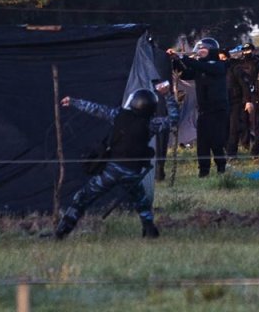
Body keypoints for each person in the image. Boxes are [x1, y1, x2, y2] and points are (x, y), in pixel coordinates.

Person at [54, 89, 169, 239]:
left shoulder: (119, 115)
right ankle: (150, 230)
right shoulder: (152, 124)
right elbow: (173, 118)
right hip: (132, 173)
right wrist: (168, 96)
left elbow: (96, 109)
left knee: (83, 197)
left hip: (111, 171)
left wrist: (74, 102)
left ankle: (62, 231)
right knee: (141, 202)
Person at [167, 38, 228, 177]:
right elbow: (184, 72)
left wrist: (185, 58)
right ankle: (204, 171)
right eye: (199, 50)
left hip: (219, 111)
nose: (200, 52)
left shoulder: (220, 65)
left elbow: (206, 67)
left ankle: (221, 169)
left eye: (204, 50)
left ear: (212, 50)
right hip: (203, 110)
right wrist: (175, 59)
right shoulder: (198, 67)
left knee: (217, 142)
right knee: (203, 143)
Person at [221, 47, 253, 158]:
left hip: (236, 102)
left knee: (234, 128)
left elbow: (245, 85)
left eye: (223, 58)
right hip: (222, 103)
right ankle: (225, 150)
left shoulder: (235, 69)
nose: (221, 60)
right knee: (223, 129)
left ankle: (232, 154)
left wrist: (248, 101)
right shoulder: (216, 70)